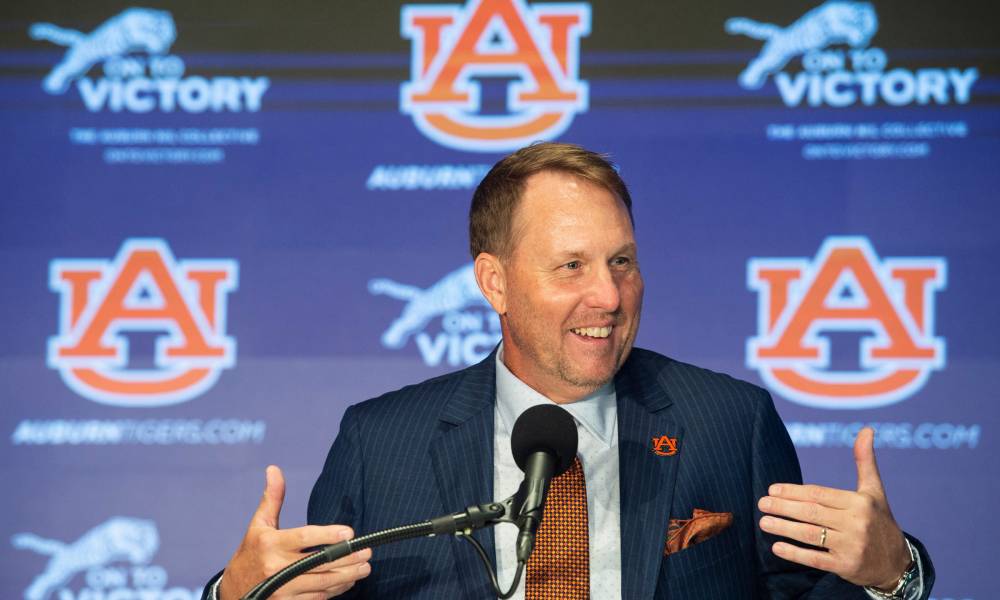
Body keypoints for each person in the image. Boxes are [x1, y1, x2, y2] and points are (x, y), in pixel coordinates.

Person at [205, 142, 933, 599]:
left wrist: (890, 577)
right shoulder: (379, 441)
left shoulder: (729, 421)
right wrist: (233, 598)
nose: (610, 297)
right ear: (495, 283)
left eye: (622, 262)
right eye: (572, 267)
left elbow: (804, 594)